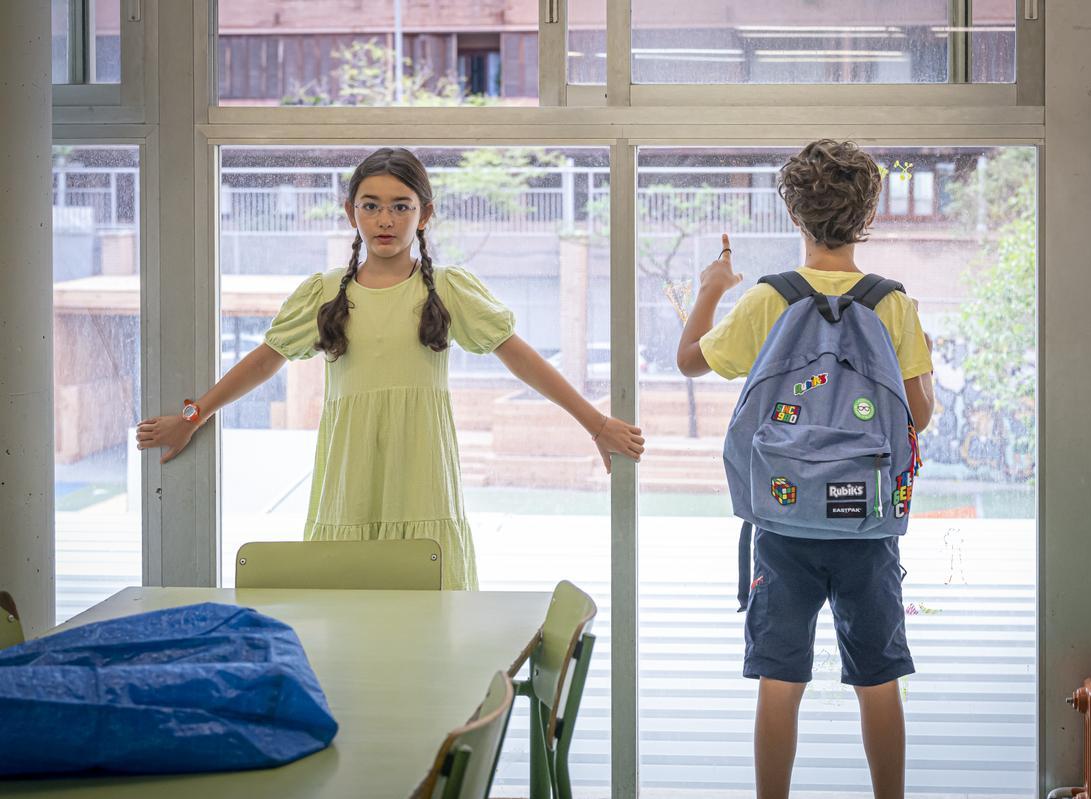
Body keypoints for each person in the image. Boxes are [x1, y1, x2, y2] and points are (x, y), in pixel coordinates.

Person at [137, 147, 644, 590]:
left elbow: (522, 359)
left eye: (400, 207)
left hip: (421, 470)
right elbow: (264, 360)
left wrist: (596, 424)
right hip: (349, 472)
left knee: (428, 605)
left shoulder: (447, 288)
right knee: (346, 608)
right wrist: (193, 413)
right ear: (350, 212)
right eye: (371, 206)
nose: (385, 220)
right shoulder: (324, 291)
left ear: (424, 214)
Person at [676, 140, 935, 799]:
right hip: (868, 524)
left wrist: (711, 289)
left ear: (794, 212)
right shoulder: (892, 302)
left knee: (780, 680)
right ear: (867, 212)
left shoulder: (769, 299)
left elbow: (689, 360)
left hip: (784, 524)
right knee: (878, 678)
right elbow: (919, 415)